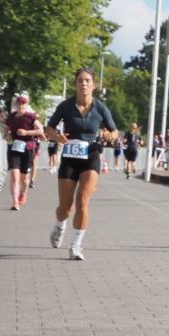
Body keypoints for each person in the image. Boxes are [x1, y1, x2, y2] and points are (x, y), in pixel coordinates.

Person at [45, 67, 118, 261]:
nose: (84, 84)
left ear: (94, 85)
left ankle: (76, 245)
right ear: (75, 84)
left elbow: (115, 131)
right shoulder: (66, 106)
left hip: (91, 155)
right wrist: (57, 137)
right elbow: (48, 129)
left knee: (83, 200)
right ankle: (60, 224)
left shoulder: (100, 108)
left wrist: (109, 135)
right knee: (65, 208)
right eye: (80, 80)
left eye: (87, 81)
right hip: (70, 157)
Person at [3, 93, 43, 210]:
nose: (21, 105)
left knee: (24, 179)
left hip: (28, 149)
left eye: (23, 103)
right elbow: (6, 129)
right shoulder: (12, 117)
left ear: (26, 104)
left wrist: (26, 133)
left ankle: (23, 193)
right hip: (14, 148)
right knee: (14, 175)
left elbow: (40, 130)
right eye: (19, 103)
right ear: (16, 104)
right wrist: (6, 135)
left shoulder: (30, 117)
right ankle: (15, 202)